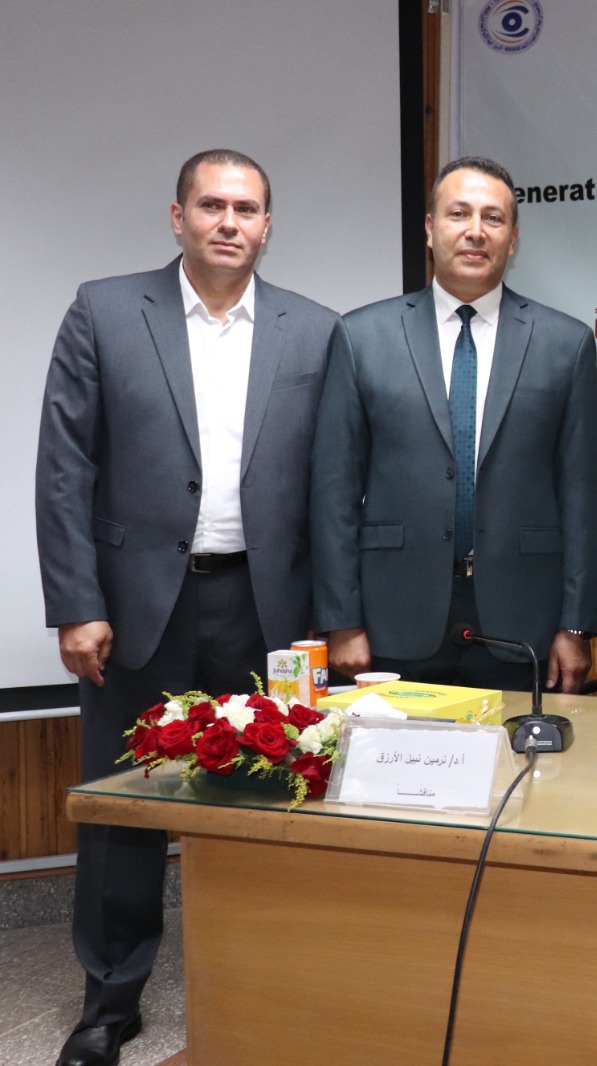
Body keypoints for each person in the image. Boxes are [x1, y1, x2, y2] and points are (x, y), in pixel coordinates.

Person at [35, 149, 339, 1066]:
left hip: (266, 608)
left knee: (269, 806)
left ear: (268, 225)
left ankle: (262, 989)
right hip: (135, 610)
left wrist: (331, 619)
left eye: (246, 209)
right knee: (124, 808)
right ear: (178, 217)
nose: (228, 222)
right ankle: (109, 1004)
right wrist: (76, 603)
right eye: (211, 205)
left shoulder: (314, 330)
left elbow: (333, 488)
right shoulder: (104, 311)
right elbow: (65, 468)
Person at [311, 156, 597, 692]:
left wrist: (576, 625)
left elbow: (583, 498)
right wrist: (341, 620)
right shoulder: (361, 336)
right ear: (430, 229)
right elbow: (334, 492)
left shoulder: (566, 344)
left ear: (513, 238)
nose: (475, 231)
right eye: (458, 214)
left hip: (524, 621)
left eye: (493, 218)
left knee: (514, 749)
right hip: (391, 617)